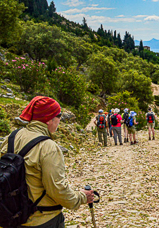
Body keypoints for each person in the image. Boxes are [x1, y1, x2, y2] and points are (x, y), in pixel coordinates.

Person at [0, 96, 94, 227]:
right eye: (59, 116)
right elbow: (58, 190)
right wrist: (82, 197)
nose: (59, 121)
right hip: (43, 220)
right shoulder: (48, 147)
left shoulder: (11, 137)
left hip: (11, 217)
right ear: (49, 119)